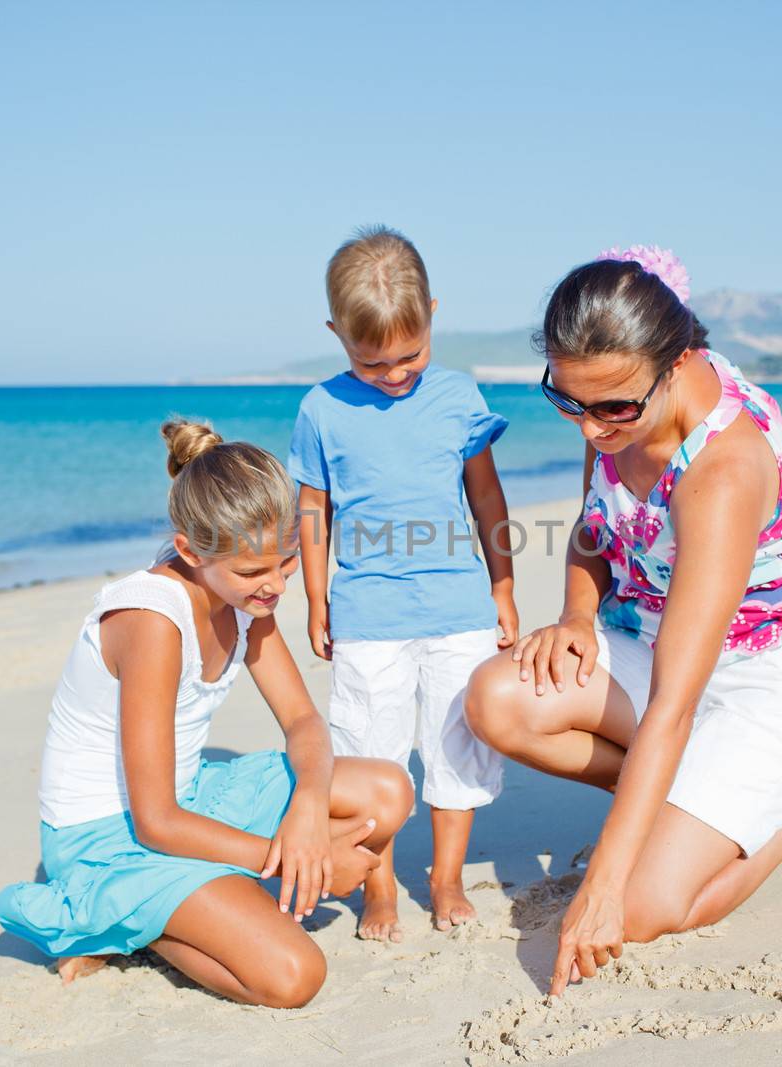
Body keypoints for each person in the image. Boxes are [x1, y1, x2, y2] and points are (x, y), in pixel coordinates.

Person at [463, 245, 782, 996]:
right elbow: (596, 528)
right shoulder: (613, 397)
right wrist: (575, 611)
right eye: (569, 402)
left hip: (777, 671)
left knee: (641, 905)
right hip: (657, 637)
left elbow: (673, 704)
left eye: (613, 407)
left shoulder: (723, 472)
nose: (592, 429)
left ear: (676, 361)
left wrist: (603, 882)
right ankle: (689, 806)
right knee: (498, 697)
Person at [0, 420, 412, 1007]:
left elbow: (303, 722)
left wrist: (310, 814)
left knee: (388, 789)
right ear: (189, 550)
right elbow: (155, 821)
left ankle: (215, 899)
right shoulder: (153, 624)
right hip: (113, 837)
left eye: (287, 564)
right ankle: (127, 924)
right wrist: (292, 858)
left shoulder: (242, 592)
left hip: (188, 800)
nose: (274, 588)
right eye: (253, 573)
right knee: (292, 976)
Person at [289, 225, 518, 941]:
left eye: (409, 354)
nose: (394, 373)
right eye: (372, 360)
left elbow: (487, 497)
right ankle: (379, 886)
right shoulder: (321, 409)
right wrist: (316, 595)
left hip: (458, 607)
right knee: (370, 752)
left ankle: (445, 876)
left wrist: (503, 585)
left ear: (433, 316)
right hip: (367, 613)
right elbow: (313, 508)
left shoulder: (457, 395)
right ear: (337, 335)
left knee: (456, 748)